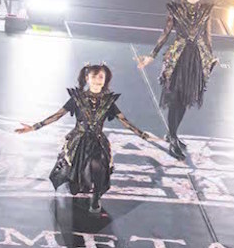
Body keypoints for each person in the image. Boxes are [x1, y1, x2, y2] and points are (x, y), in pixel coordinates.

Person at [16, 64, 154, 213]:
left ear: (105, 79)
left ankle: (95, 198)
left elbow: (124, 121)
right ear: (87, 78)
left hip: (98, 140)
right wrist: (34, 127)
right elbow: (57, 115)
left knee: (100, 165)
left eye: (100, 77)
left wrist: (143, 135)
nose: (97, 80)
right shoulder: (77, 98)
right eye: (93, 77)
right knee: (77, 176)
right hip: (79, 140)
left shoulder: (108, 102)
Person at [136, 0, 218, 160]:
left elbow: (208, 36)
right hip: (178, 58)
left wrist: (211, 58)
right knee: (175, 98)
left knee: (186, 99)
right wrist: (152, 55)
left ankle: (173, 134)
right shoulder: (175, 9)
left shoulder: (206, 10)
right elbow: (165, 34)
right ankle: (172, 138)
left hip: (196, 59)